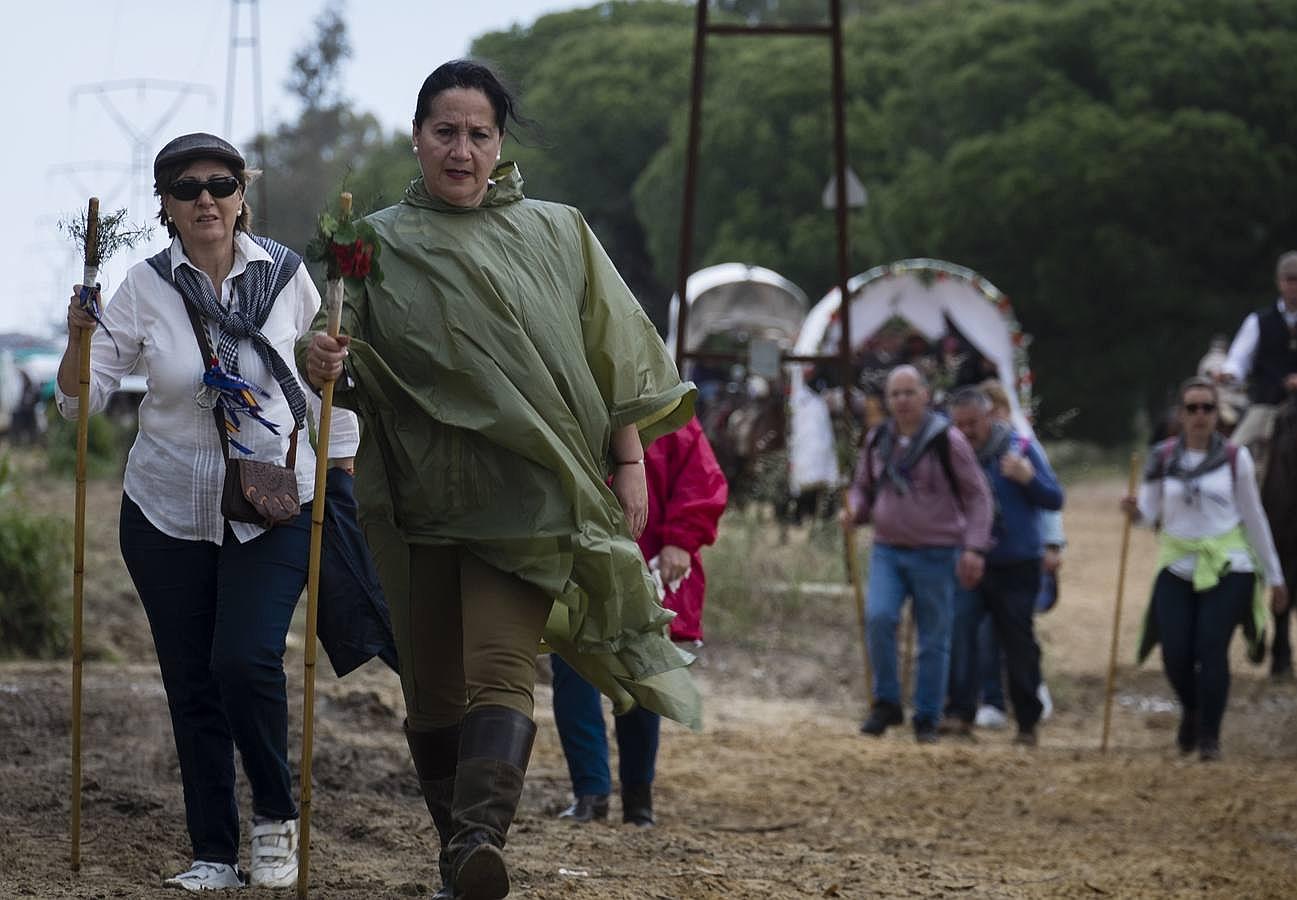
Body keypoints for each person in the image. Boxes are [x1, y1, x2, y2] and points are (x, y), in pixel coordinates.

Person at [300, 60, 697, 900]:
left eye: (479, 133)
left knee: (499, 672)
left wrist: (629, 462)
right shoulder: (368, 242)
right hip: (412, 498)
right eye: (445, 131)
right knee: (433, 691)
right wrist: (319, 354)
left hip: (529, 494)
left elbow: (611, 356)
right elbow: (332, 352)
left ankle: (482, 838)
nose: (461, 149)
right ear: (416, 137)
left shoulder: (558, 232)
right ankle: (460, 858)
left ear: (499, 142)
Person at [56, 132, 361, 891]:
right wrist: (77, 339)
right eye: (186, 187)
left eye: (220, 184)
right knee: (191, 682)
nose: (205, 199)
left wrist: (331, 402)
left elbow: (329, 387)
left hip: (275, 502)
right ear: (163, 203)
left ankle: (274, 821)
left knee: (243, 659)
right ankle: (213, 852)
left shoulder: (288, 277)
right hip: (164, 513)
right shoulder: (141, 288)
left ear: (240, 195)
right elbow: (79, 401)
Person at [551, 416, 726, 827]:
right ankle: (590, 793)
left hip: (642, 569)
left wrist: (680, 539)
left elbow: (700, 478)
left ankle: (638, 799)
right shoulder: (569, 399)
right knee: (573, 673)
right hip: (577, 562)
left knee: (642, 679)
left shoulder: (666, 416)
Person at [1121, 377, 1288, 760]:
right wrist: (1134, 512)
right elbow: (1147, 516)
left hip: (1229, 563)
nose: (1199, 416)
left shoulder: (1235, 459)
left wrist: (1275, 576)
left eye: (1207, 408)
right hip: (1177, 562)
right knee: (1175, 653)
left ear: (1218, 414)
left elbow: (1254, 517)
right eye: (1192, 408)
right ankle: (1193, 710)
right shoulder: (1162, 457)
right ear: (1180, 415)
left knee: (1211, 649)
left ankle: (1210, 737)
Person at [840, 365, 993, 743]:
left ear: (926, 395)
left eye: (909, 392)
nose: (903, 401)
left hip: (938, 552)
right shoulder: (878, 439)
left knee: (933, 638)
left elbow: (978, 496)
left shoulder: (948, 441)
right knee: (878, 618)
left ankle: (926, 715)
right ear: (888, 401)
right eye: (896, 394)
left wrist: (974, 546)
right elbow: (862, 486)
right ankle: (887, 702)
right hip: (888, 550)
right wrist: (854, 510)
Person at [945, 387, 1064, 745]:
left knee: (1017, 641)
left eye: (973, 423)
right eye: (959, 424)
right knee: (961, 634)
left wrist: (1028, 479)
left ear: (989, 417)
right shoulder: (952, 456)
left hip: (1017, 562)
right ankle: (960, 713)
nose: (966, 431)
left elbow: (1055, 498)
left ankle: (1027, 721)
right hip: (969, 561)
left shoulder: (1020, 449)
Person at [1219, 251, 1297, 460]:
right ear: (1280, 282)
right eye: (1290, 279)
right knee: (1232, 455)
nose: (1294, 286)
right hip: (1267, 406)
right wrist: (1229, 374)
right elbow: (1239, 359)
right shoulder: (1258, 321)